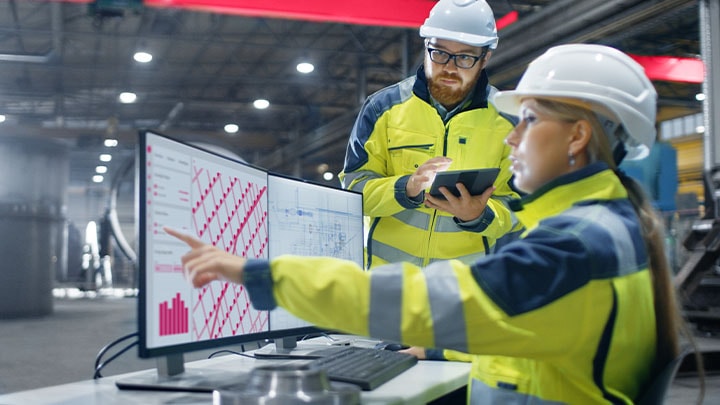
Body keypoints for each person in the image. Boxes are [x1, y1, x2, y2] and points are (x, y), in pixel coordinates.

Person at [165, 44, 689, 403]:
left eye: (528, 120)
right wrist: (438, 347)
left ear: (577, 137)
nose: (511, 138)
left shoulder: (577, 246)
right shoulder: (599, 226)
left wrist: (262, 274)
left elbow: (424, 298)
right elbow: (532, 325)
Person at [338, 0, 520, 269]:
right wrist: (405, 188)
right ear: (426, 46)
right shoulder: (382, 108)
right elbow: (353, 191)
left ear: (485, 58)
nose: (449, 67)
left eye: (465, 57)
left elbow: (520, 206)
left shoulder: (509, 121)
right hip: (386, 279)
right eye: (440, 53)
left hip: (462, 288)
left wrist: (479, 214)